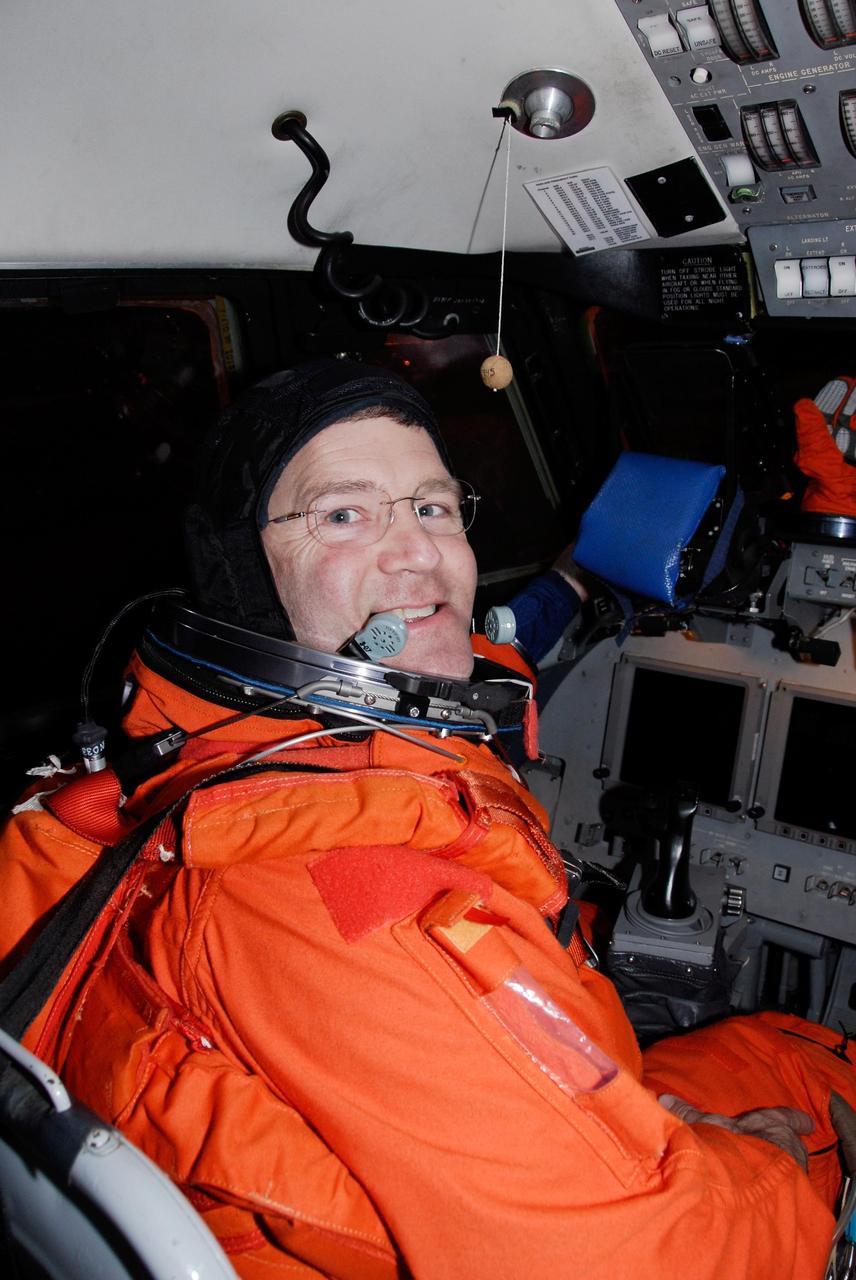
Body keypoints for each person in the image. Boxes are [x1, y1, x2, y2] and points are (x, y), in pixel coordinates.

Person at [0, 358, 854, 1280]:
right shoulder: (347, 896)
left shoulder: (217, 741)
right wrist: (779, 1165)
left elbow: (481, 667)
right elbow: (637, 1259)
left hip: (488, 1145)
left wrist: (584, 583)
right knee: (812, 1082)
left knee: (767, 1050)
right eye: (345, 514)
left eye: (434, 507)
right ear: (247, 570)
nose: (418, 554)